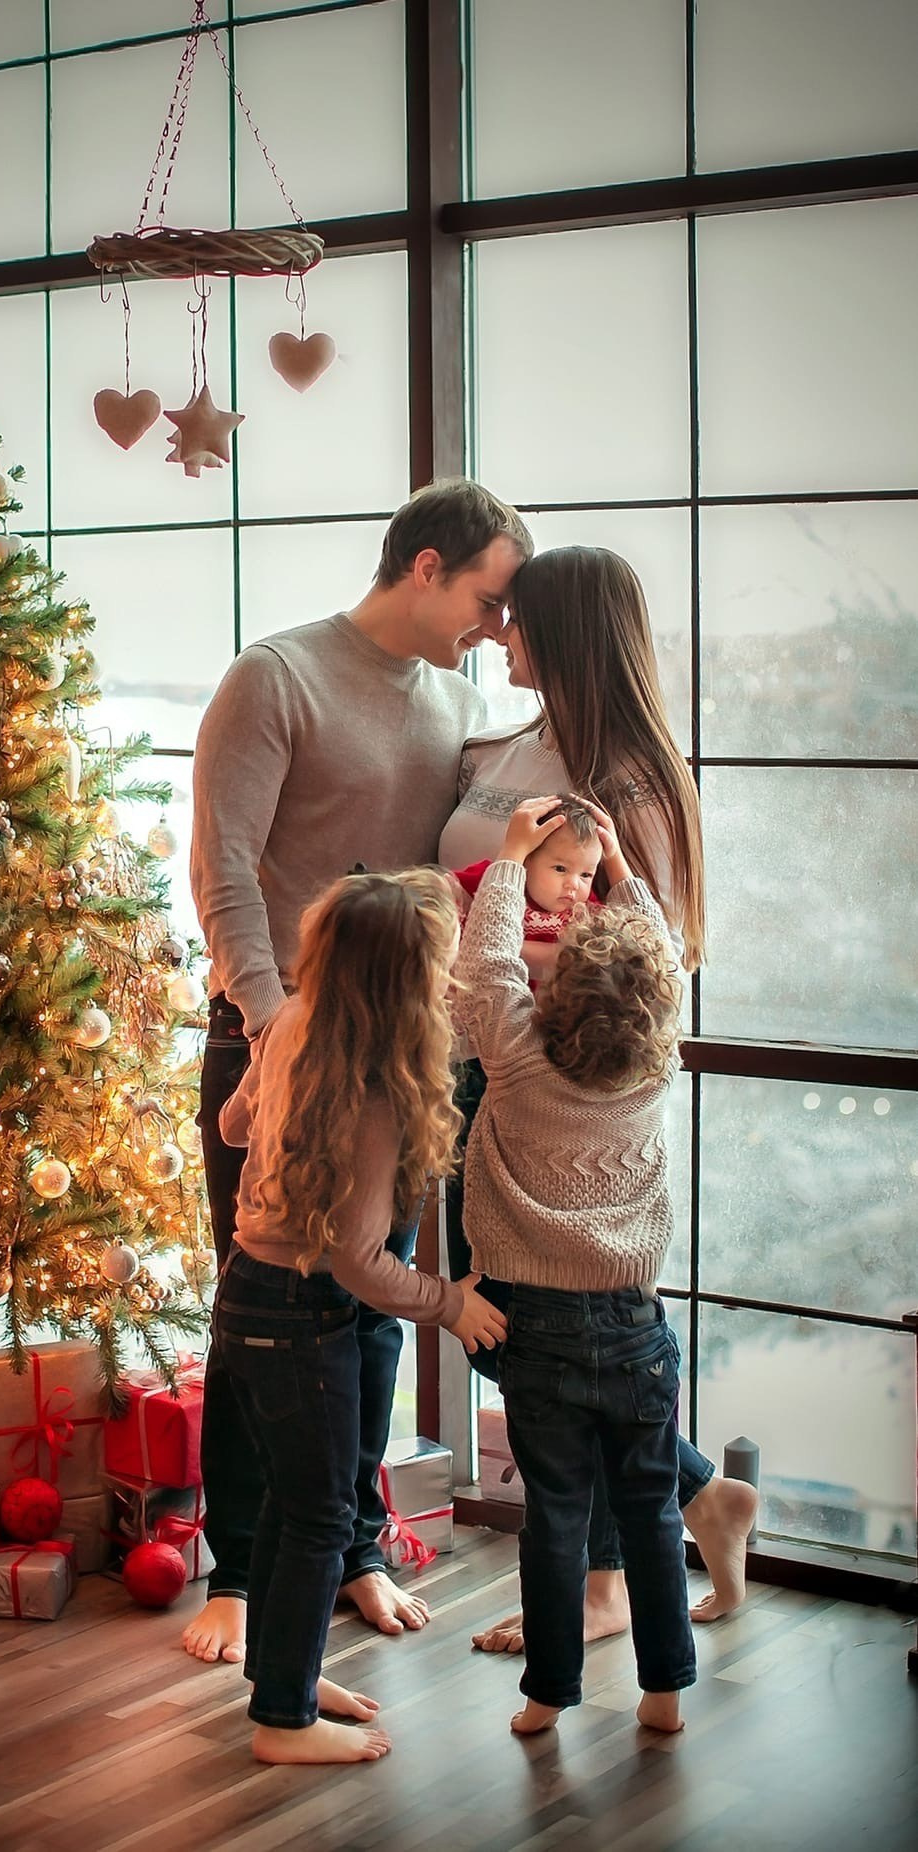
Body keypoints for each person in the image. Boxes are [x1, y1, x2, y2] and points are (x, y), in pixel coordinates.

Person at [185, 478, 534, 1665]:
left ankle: (354, 1552)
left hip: (405, 1054)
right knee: (260, 1315)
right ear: (425, 566)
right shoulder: (274, 676)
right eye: (488, 599)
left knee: (372, 1305)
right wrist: (275, 1024)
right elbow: (223, 866)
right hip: (268, 1034)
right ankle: (236, 1570)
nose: (496, 627)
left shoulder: (462, 705)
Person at [437, 545, 758, 1651]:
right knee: (503, 1327)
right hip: (494, 1057)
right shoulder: (528, 744)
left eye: (518, 620)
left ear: (567, 636)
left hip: (553, 1074)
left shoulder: (621, 778)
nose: (500, 634)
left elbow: (651, 955)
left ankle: (607, 1588)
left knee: (537, 1331)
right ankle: (698, 1495)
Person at [214, 867, 508, 1764]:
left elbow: (232, 1128)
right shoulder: (378, 1089)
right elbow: (363, 1264)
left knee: (285, 1507)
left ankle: (283, 1677)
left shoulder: (292, 1024)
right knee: (315, 1519)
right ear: (410, 981)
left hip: (244, 1294)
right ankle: (282, 1727)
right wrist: (451, 1304)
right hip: (303, 1316)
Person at [453, 795, 694, 1736]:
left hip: (539, 1327)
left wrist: (512, 857)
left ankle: (547, 1699)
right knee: (649, 1519)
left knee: (553, 1521)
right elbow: (661, 956)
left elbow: (483, 969)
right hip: (638, 1326)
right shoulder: (656, 1068)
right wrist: (624, 864)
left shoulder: (516, 1060)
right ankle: (665, 1692)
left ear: (553, 1001)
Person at [451, 796, 604, 989]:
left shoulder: (586, 911)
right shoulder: (495, 881)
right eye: (560, 868)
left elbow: (595, 957)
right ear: (526, 859)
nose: (573, 884)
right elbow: (441, 890)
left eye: (586, 874)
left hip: (547, 1008)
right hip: (483, 992)